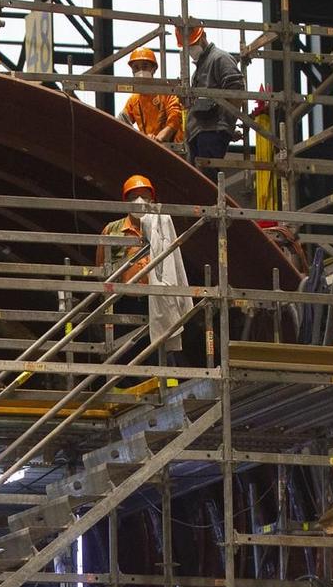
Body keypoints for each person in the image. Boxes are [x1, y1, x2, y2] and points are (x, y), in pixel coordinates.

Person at [95, 174, 195, 370]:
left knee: (159, 351)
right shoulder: (113, 229)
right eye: (134, 197)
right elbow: (101, 268)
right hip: (125, 303)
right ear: (125, 201)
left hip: (156, 302)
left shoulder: (161, 227)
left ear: (153, 200)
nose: (139, 202)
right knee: (125, 353)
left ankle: (165, 387)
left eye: (145, 197)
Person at [176, 19, 246, 164]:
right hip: (198, 130)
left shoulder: (219, 58)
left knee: (207, 174)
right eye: (187, 47)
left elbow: (236, 90)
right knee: (198, 180)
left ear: (203, 36)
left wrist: (226, 124)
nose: (191, 49)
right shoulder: (198, 70)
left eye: (193, 45)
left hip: (212, 129)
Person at [119, 47, 183, 143]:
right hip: (149, 147)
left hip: (172, 148)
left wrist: (159, 138)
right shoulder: (134, 99)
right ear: (132, 70)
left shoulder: (166, 92)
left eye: (145, 67)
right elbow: (122, 121)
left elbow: (175, 117)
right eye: (136, 67)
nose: (140, 71)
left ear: (154, 69)